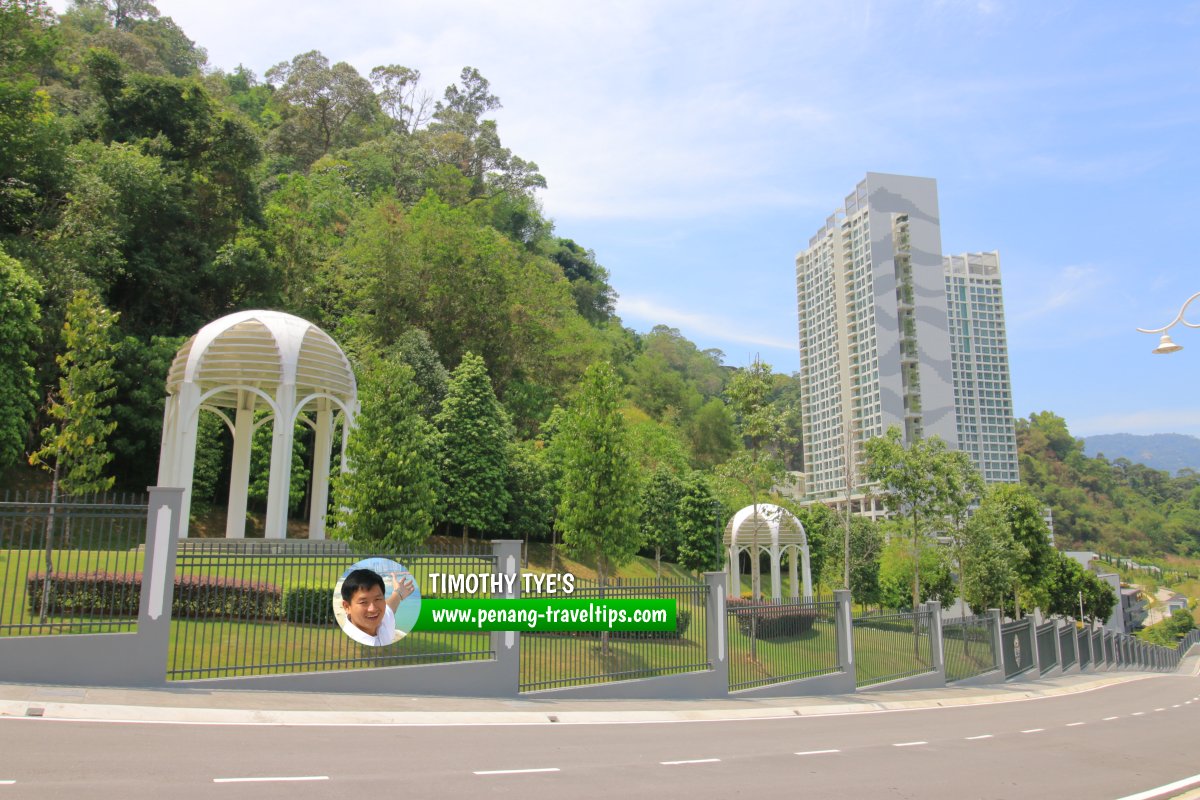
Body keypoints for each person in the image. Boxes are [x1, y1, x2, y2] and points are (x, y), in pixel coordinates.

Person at [339, 567, 415, 646]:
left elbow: (390, 607)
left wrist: (398, 593)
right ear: (347, 607)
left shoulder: (383, 621)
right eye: (363, 602)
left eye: (377, 599)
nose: (373, 609)